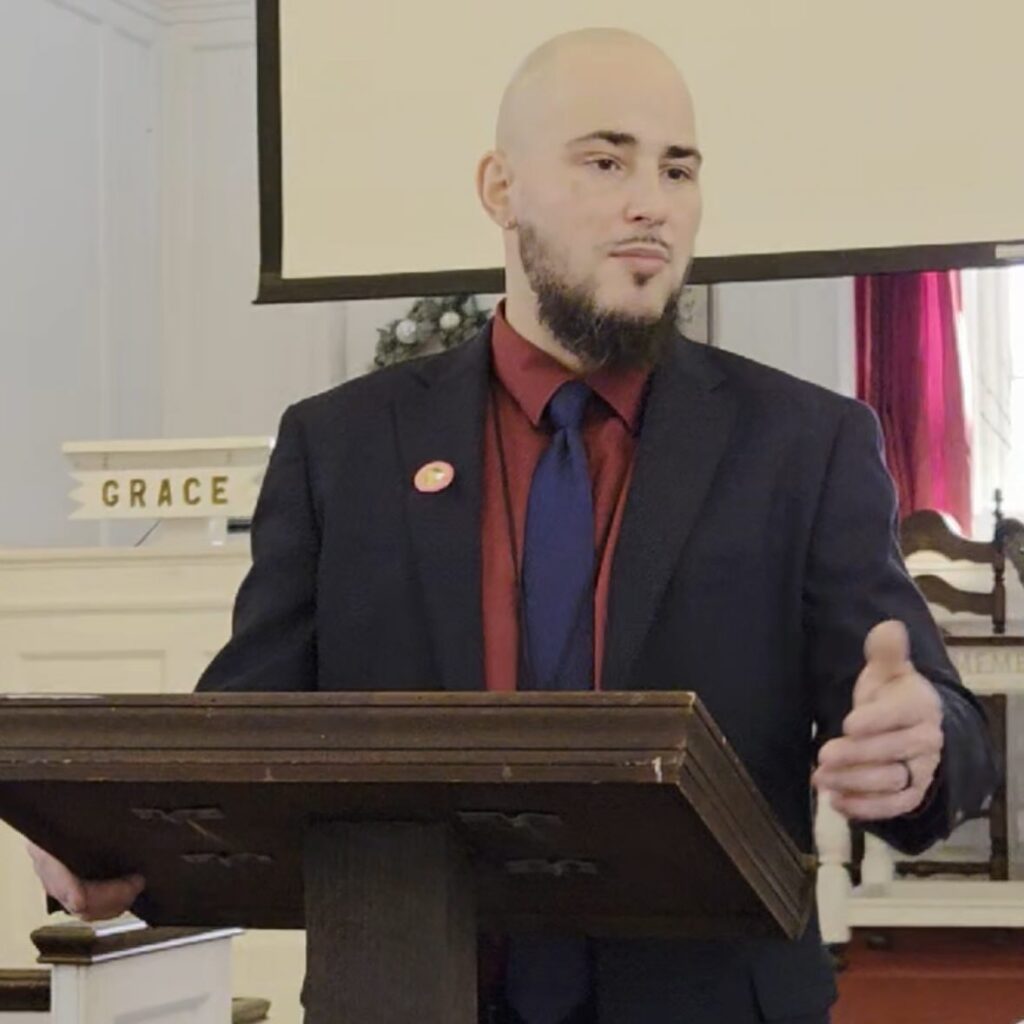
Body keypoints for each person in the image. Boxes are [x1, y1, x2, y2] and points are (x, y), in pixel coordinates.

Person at [29, 27, 997, 1024]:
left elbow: (944, 728)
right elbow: (241, 738)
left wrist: (919, 744)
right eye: (606, 160)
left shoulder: (804, 442)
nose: (651, 202)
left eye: (677, 169)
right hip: (407, 997)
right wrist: (107, 844)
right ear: (500, 189)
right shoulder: (341, 448)